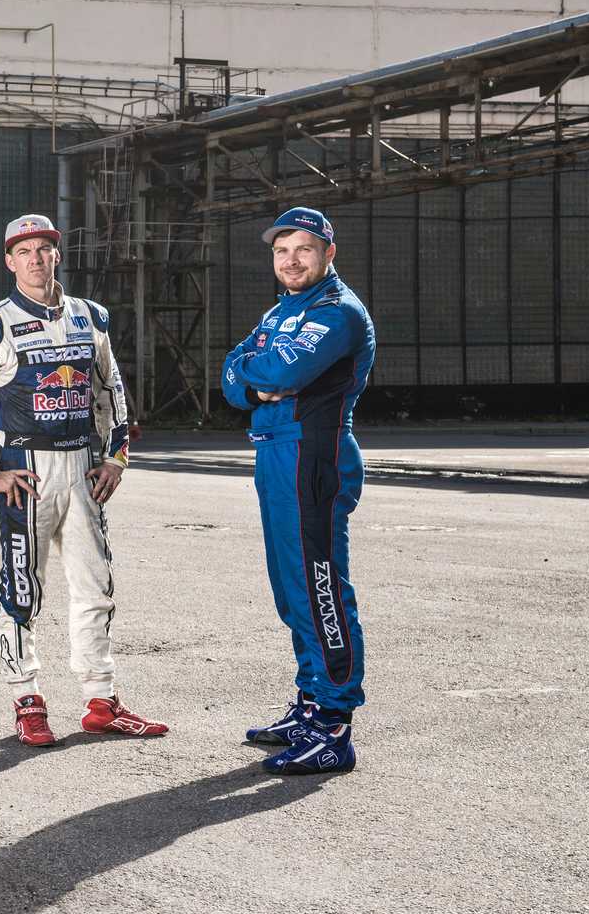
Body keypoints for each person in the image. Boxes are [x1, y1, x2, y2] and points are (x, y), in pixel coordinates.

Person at [0, 213, 168, 746]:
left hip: (84, 469)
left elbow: (111, 392)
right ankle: (27, 701)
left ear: (57, 254)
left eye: (43, 248)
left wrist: (116, 459)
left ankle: (102, 701)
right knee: (22, 590)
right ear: (9, 262)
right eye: (24, 251)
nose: (35, 259)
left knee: (96, 587)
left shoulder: (91, 317)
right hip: (28, 473)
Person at [220, 206, 376, 776]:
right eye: (282, 250)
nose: (291, 260)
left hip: (313, 455)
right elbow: (231, 377)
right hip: (275, 454)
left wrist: (257, 375)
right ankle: (310, 702)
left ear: (328, 253)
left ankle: (333, 725)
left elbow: (279, 375)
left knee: (319, 588)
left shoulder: (337, 311)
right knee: (291, 591)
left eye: (303, 249)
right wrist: (251, 377)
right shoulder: (280, 310)